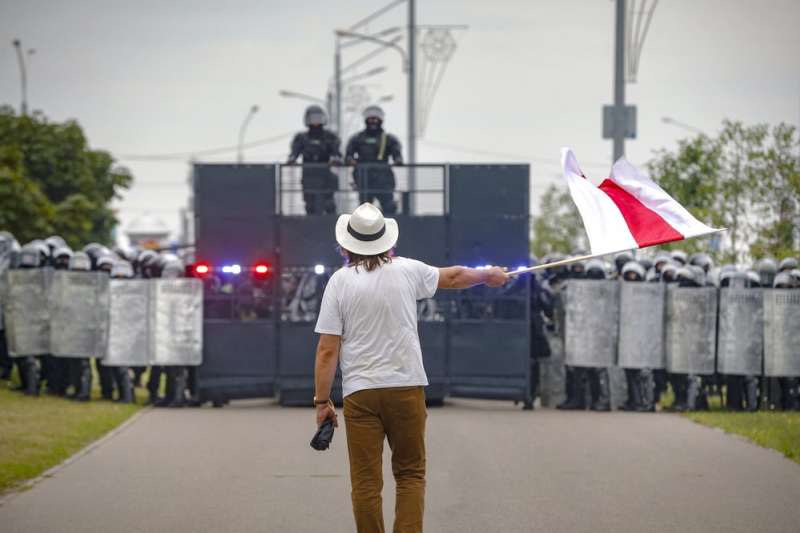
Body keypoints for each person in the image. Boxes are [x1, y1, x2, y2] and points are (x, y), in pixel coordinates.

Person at [312, 203, 508, 533]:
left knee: (366, 483)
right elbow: (455, 276)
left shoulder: (339, 283)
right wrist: (488, 275)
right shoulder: (407, 271)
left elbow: (327, 350)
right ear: (388, 242)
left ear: (346, 245)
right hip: (406, 387)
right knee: (410, 474)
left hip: (360, 394)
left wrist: (322, 402)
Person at [346, 106, 403, 214]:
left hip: (383, 178)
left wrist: (398, 159)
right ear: (366, 120)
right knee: (365, 210)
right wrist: (350, 160)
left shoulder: (388, 138)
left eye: (376, 119)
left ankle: (389, 227)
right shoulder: (358, 138)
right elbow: (349, 154)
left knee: (389, 207)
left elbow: (396, 152)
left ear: (380, 120)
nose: (373, 121)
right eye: (371, 119)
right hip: (364, 178)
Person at [288, 105, 342, 215]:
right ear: (307, 120)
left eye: (318, 118)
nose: (316, 122)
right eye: (313, 119)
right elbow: (295, 152)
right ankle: (312, 228)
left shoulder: (329, 136)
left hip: (325, 175)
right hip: (309, 175)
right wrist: (292, 159)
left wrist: (336, 159)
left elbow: (336, 152)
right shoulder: (302, 137)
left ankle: (332, 227)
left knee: (329, 204)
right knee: (310, 205)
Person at [619, 261, 655, 412]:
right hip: (628, 336)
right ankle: (633, 401)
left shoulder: (648, 291)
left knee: (643, 373)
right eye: (629, 275)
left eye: (634, 274)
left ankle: (647, 403)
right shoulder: (622, 291)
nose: (631, 277)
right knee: (629, 371)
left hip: (643, 337)